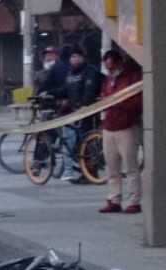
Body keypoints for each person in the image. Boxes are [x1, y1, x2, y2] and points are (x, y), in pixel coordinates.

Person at [98, 49, 143, 214]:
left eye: (111, 67)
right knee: (112, 168)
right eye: (107, 68)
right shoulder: (109, 80)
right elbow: (105, 97)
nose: (110, 71)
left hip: (127, 126)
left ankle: (134, 200)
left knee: (131, 167)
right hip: (109, 126)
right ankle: (114, 198)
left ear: (119, 63)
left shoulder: (133, 78)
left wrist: (117, 102)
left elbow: (137, 102)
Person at [58, 46, 102, 183]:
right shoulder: (71, 74)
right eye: (72, 57)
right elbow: (64, 90)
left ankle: (91, 173)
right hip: (75, 112)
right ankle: (86, 173)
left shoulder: (91, 72)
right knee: (79, 143)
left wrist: (84, 105)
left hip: (88, 112)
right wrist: (49, 94)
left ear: (83, 57)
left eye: (77, 56)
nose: (75, 59)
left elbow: (90, 90)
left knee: (87, 141)